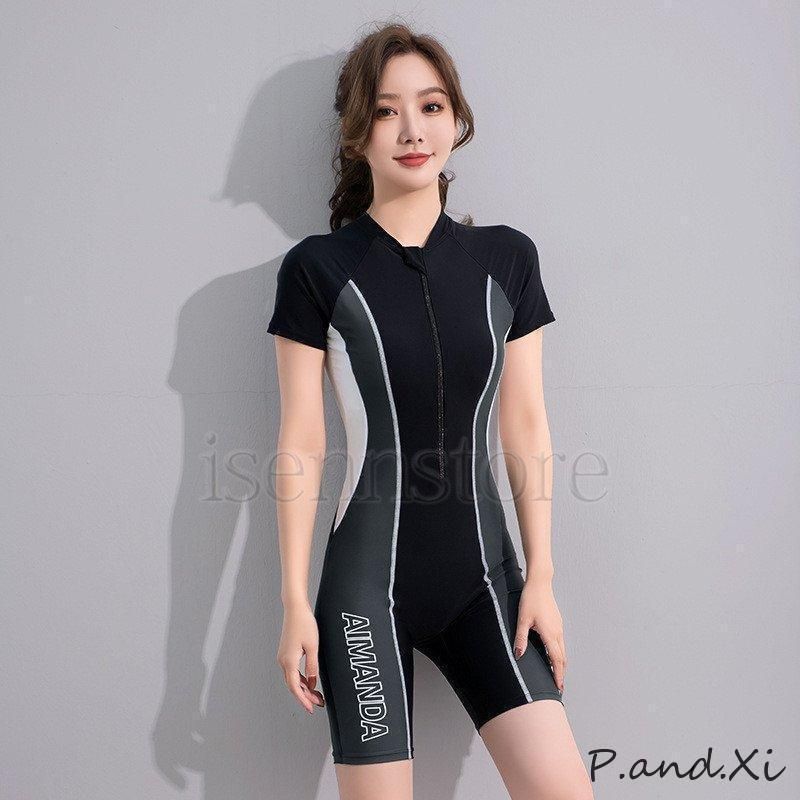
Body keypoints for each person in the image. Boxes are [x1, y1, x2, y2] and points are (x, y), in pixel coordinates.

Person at [269, 23, 594, 800]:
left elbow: (526, 425)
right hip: (364, 596)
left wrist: (542, 578)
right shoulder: (319, 269)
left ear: (456, 120)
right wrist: (293, 603)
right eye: (386, 111)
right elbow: (302, 441)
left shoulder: (506, 258)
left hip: (490, 583)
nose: (413, 130)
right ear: (357, 135)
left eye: (431, 105)